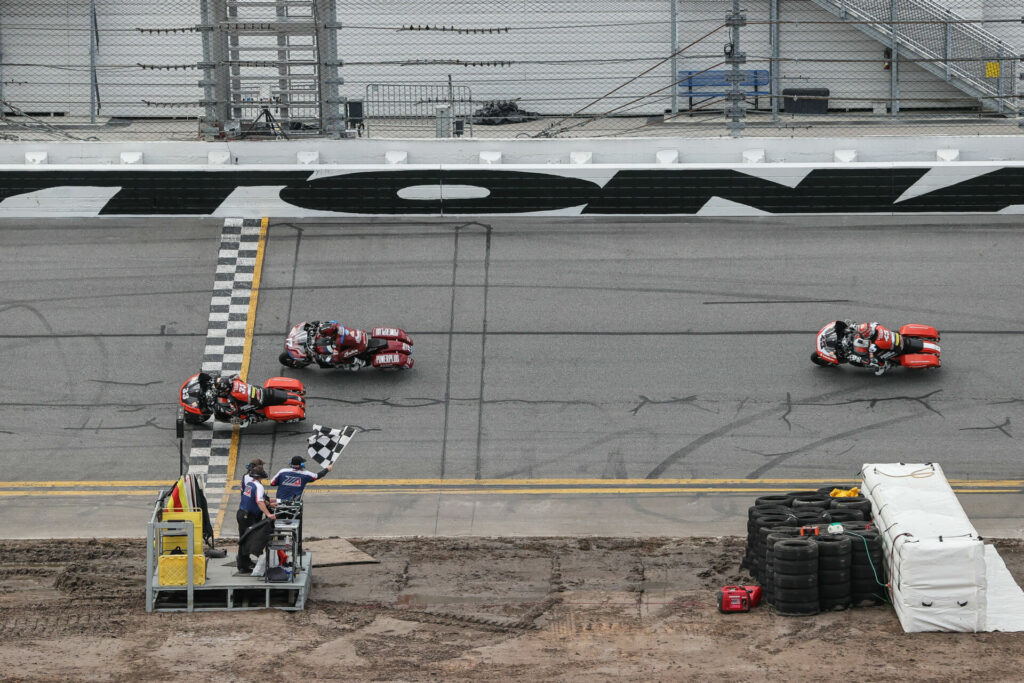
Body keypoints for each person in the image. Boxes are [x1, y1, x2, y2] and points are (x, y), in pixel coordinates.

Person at [237, 461, 275, 540]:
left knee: (243, 539)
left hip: (241, 513)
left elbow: (260, 499)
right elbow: (259, 501)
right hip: (249, 516)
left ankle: (243, 552)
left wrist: (269, 504)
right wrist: (268, 514)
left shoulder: (250, 483)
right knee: (254, 539)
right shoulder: (258, 486)